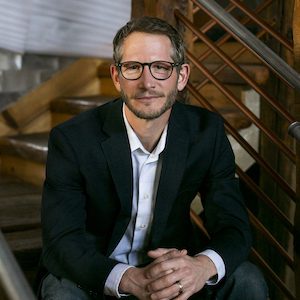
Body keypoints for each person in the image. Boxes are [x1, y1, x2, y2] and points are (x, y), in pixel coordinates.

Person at [40, 16, 268, 299]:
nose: (147, 83)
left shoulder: (205, 132)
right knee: (60, 292)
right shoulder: (73, 139)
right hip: (98, 274)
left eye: (161, 67)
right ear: (116, 77)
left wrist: (200, 266)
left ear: (181, 76)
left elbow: (233, 226)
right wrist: (130, 279)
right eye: (134, 67)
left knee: (247, 279)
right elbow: (61, 241)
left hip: (172, 273)